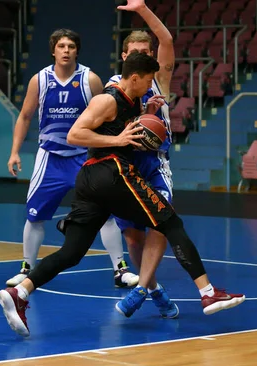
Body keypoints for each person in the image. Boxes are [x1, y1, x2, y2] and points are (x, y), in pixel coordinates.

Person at [0, 52, 245, 338]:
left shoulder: (135, 102)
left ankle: (20, 292)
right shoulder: (107, 99)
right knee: (169, 222)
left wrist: (147, 114)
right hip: (110, 172)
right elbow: (75, 134)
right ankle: (208, 292)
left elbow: (130, 131)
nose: (152, 84)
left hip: (93, 182)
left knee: (72, 252)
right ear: (136, 77)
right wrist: (117, 140)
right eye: (149, 79)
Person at [5, 28, 139, 289]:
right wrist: (14, 151)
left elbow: (105, 117)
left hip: (84, 157)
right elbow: (24, 116)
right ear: (53, 50)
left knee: (107, 214)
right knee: (34, 215)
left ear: (77, 50)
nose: (66, 50)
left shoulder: (90, 80)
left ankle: (120, 270)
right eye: (61, 46)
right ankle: (27, 268)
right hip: (50, 157)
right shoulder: (39, 80)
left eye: (71, 46)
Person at [106, 0, 180, 318]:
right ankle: (153, 288)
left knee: (161, 222)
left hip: (155, 162)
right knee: (133, 237)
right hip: (126, 163)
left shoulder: (159, 79)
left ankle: (139, 290)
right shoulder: (113, 86)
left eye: (144, 52)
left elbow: (167, 41)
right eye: (133, 52)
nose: (140, 56)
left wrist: (143, 10)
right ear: (124, 57)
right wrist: (144, 113)